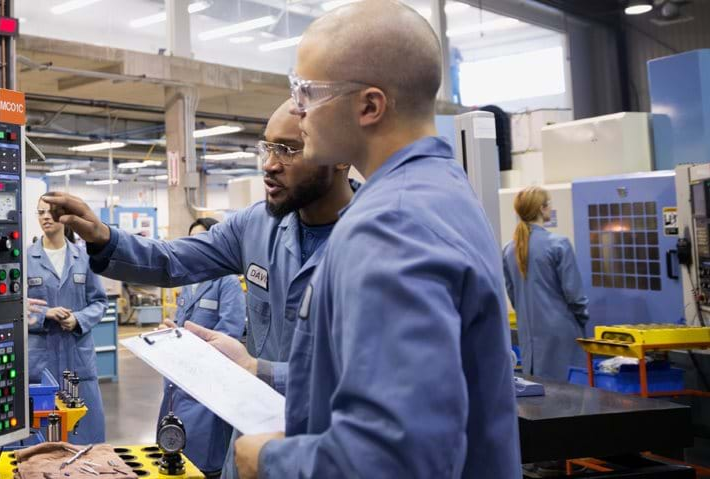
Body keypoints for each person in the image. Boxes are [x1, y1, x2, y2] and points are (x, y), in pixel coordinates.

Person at [209, 1, 520, 477]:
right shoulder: (444, 191)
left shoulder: (389, 224)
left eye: (307, 91)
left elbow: (395, 456)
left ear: (370, 106)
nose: (297, 108)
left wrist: (268, 460)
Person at [41, 97, 356, 478]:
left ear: (341, 155)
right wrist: (105, 237)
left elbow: (377, 378)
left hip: (332, 448)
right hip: (253, 444)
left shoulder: (375, 241)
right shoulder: (255, 226)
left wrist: (261, 370)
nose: (270, 164)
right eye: (268, 147)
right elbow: (172, 260)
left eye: (289, 149)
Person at [156, 217, 246, 478]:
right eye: (191, 240)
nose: (195, 245)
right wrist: (173, 333)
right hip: (180, 379)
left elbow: (229, 329)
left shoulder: (226, 281)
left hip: (208, 383)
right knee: (176, 449)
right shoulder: (188, 281)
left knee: (204, 457)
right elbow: (185, 324)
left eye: (202, 240)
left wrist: (187, 342)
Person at [26, 197, 108, 444]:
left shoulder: (83, 258)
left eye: (51, 212)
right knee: (40, 442)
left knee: (85, 437)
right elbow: (11, 308)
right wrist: (44, 314)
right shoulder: (25, 259)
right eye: (40, 212)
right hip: (41, 361)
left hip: (78, 359)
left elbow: (100, 302)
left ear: (64, 216)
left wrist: (78, 319)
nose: (45, 217)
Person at [503, 186, 589, 381]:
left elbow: (513, 295)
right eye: (549, 204)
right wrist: (583, 320)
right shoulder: (558, 244)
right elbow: (574, 295)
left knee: (538, 397)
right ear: (542, 209)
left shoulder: (509, 250)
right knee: (570, 399)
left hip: (529, 335)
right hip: (562, 335)